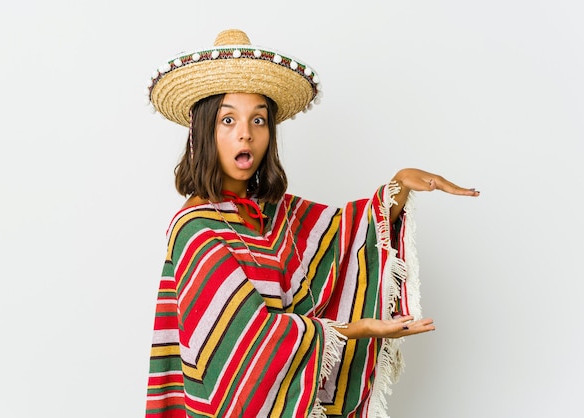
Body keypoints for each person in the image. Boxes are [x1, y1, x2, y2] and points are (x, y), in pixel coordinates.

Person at [144, 29, 479, 418]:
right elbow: (245, 349)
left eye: (259, 119)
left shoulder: (277, 214)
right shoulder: (193, 230)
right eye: (227, 119)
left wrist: (399, 185)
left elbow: (347, 242)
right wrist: (357, 330)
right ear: (202, 131)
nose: (245, 133)